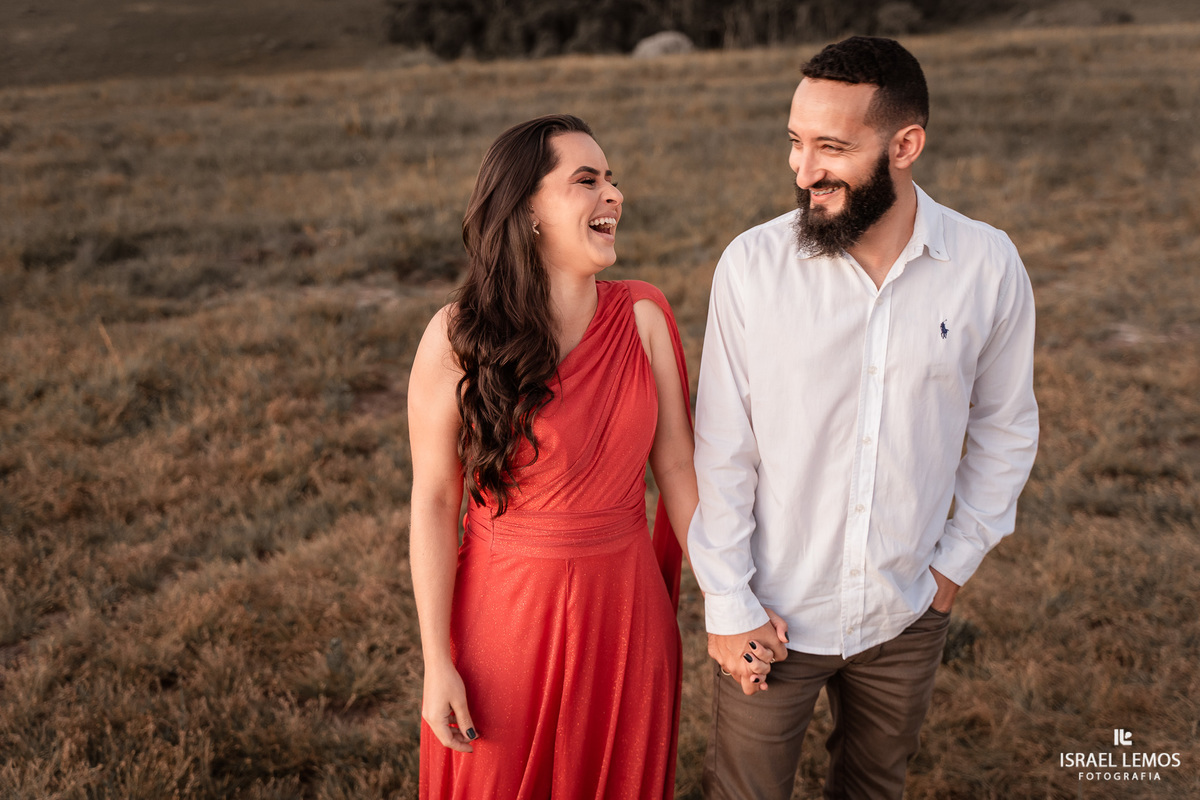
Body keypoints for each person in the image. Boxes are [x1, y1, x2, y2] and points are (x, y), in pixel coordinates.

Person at [688, 36, 1039, 799]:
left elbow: (1006, 427)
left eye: (831, 147)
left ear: (906, 145)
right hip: (770, 618)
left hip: (906, 611)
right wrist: (728, 600)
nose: (803, 170)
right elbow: (721, 450)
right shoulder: (751, 268)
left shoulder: (987, 266)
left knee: (876, 787)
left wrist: (949, 570)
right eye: (795, 142)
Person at [409, 114, 697, 799]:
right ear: (529, 209)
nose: (613, 196)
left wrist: (734, 597)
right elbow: (434, 500)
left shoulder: (645, 318)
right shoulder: (456, 337)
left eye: (613, 179)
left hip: (626, 619)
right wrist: (436, 662)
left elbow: (680, 475)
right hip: (503, 623)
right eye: (586, 180)